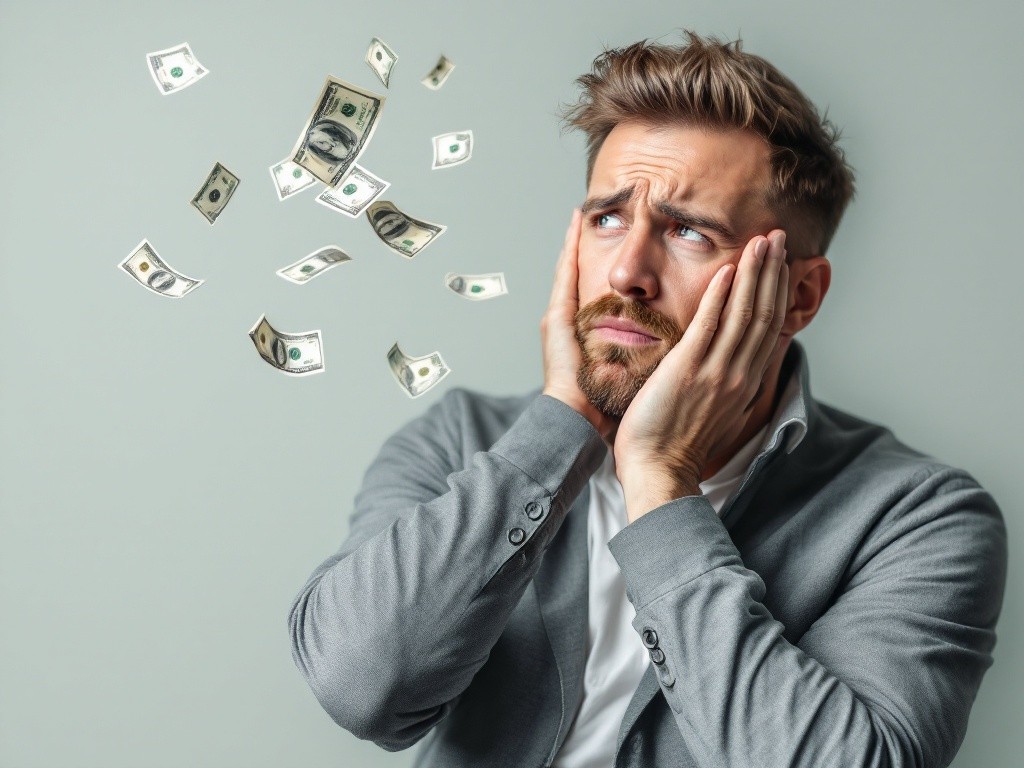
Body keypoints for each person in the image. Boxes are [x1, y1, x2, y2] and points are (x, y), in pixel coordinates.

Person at [287, 31, 1007, 768]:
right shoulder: (461, 439)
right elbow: (361, 689)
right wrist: (564, 423)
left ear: (797, 296)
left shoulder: (921, 517)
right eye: (606, 218)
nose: (627, 270)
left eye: (689, 231)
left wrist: (662, 480)